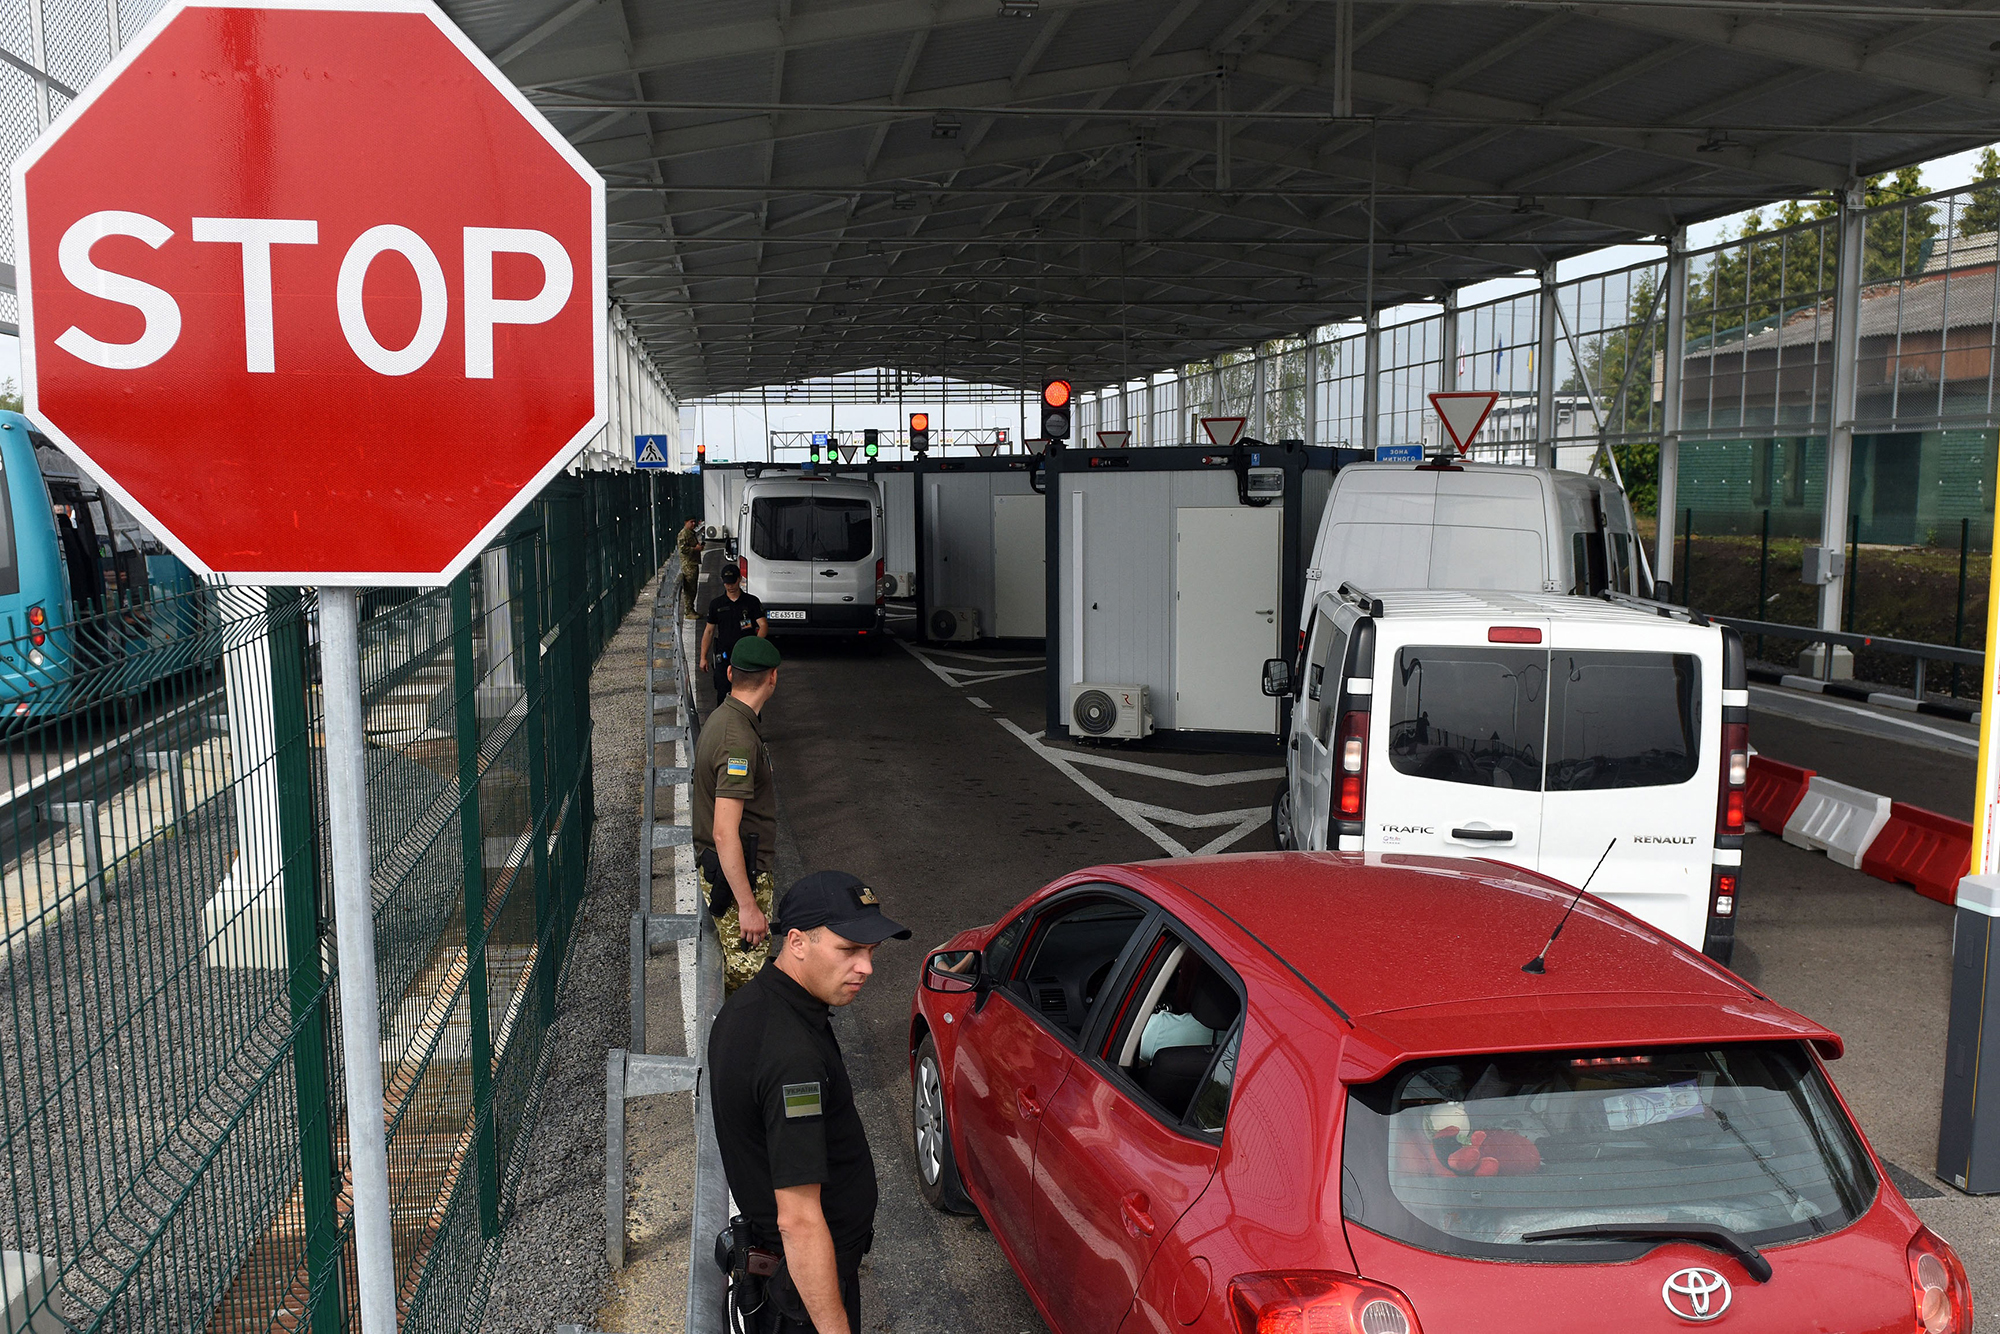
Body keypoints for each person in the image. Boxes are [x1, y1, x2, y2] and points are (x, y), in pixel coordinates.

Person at [709, 872, 911, 1334]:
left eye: (871, 951)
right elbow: (798, 1221)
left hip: (790, 1282)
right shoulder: (792, 1059)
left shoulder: (756, 1004)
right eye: (849, 950)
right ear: (797, 942)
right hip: (800, 1293)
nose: (866, 967)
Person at [693, 635, 782, 991]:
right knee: (748, 983)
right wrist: (747, 905)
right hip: (738, 878)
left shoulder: (727, 718)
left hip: (730, 871)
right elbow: (724, 830)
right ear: (773, 678)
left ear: (730, 673)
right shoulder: (738, 742)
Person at [701, 564, 768, 705]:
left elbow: (763, 625)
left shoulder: (751, 602)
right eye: (727, 583)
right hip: (725, 655)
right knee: (723, 692)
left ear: (739, 579)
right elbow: (709, 631)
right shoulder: (716, 604)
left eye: (732, 582)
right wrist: (703, 657)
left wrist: (754, 646)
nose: (730, 586)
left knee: (749, 693)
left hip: (746, 655)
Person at [677, 518, 703, 617]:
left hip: (693, 563)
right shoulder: (684, 534)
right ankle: (688, 611)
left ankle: (691, 609)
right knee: (690, 589)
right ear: (686, 522)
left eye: (694, 522)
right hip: (688, 564)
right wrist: (695, 549)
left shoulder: (691, 533)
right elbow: (683, 549)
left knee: (693, 588)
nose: (693, 524)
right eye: (691, 522)